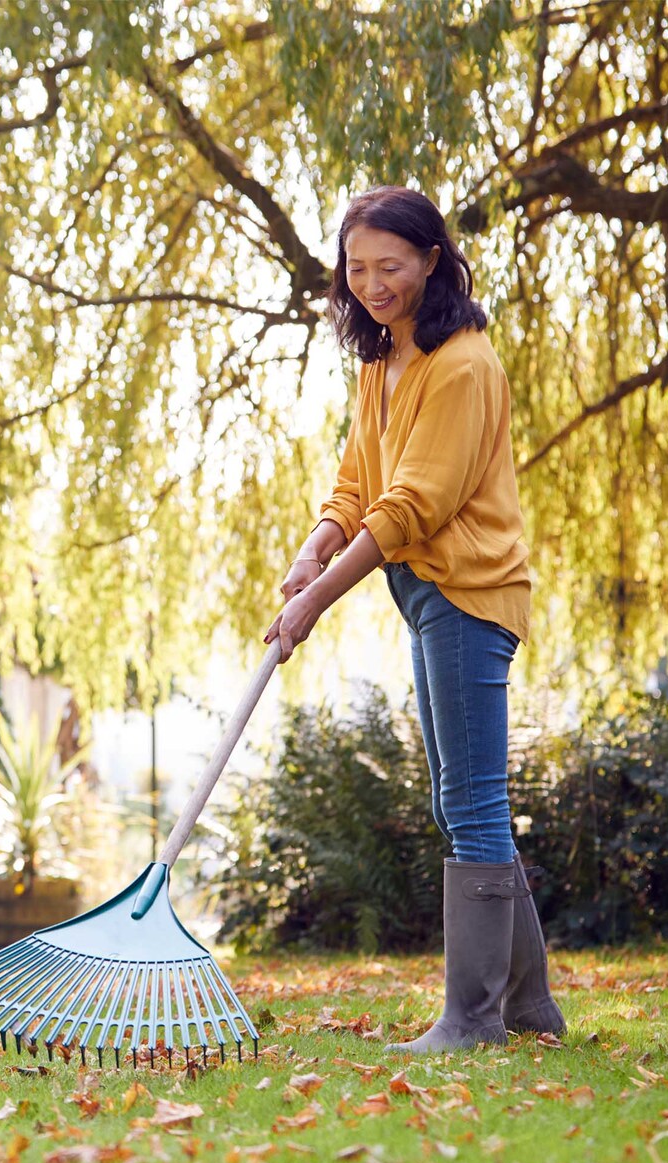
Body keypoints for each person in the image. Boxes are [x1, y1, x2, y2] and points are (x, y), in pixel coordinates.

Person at [263, 186, 565, 1053]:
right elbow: (358, 485)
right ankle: (530, 1008)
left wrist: (319, 599)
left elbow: (411, 509)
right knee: (460, 799)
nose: (371, 284)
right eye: (356, 269)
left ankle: (471, 1021)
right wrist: (312, 550)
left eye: (390, 267)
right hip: (429, 597)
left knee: (470, 801)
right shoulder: (381, 361)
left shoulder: (462, 363)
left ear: (434, 260)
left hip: (470, 592)